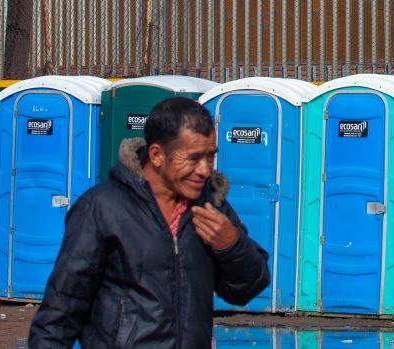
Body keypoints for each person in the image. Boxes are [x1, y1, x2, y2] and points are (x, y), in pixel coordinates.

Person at [28, 97, 270, 349]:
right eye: (193, 158)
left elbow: (246, 290)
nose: (205, 170)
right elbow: (60, 311)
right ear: (156, 155)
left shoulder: (210, 206)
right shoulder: (102, 209)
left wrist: (231, 245)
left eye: (210, 157)